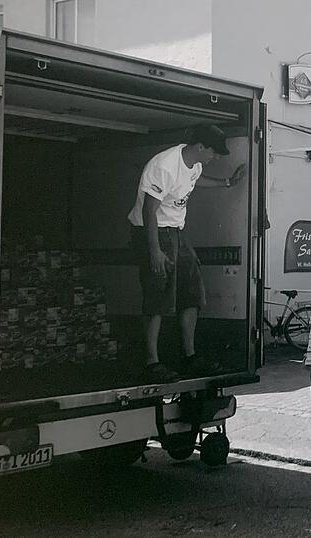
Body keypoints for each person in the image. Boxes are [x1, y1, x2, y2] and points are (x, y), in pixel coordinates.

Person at [127, 125, 247, 384]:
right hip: (153, 231)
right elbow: (149, 211)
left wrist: (226, 183)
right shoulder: (165, 165)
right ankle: (151, 362)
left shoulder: (195, 165)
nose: (215, 158)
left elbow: (193, 183)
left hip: (176, 232)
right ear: (200, 146)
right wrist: (154, 250)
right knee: (157, 295)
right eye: (214, 152)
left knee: (192, 292)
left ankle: (189, 356)